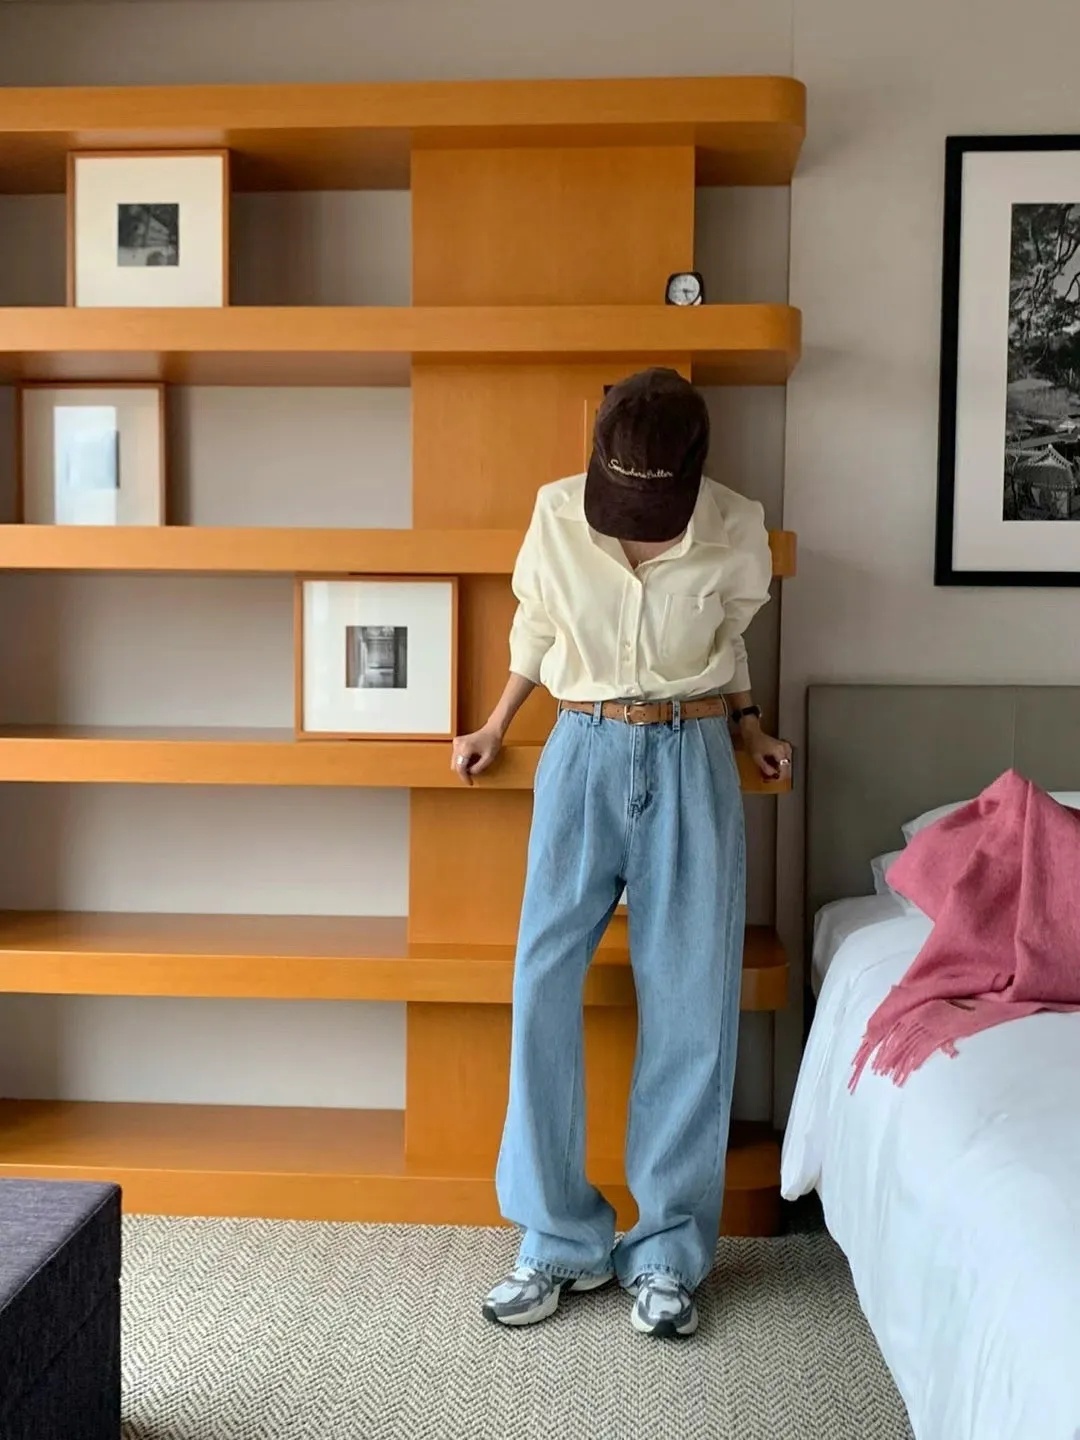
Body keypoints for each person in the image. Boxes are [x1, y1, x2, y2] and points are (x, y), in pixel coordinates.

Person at [451, 368, 792, 1339]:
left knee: (690, 1000)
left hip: (693, 755)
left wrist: (751, 728)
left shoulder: (737, 525)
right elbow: (537, 625)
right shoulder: (558, 511)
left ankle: (669, 1252)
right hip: (581, 751)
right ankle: (557, 1238)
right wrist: (495, 725)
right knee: (541, 985)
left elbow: (727, 643)